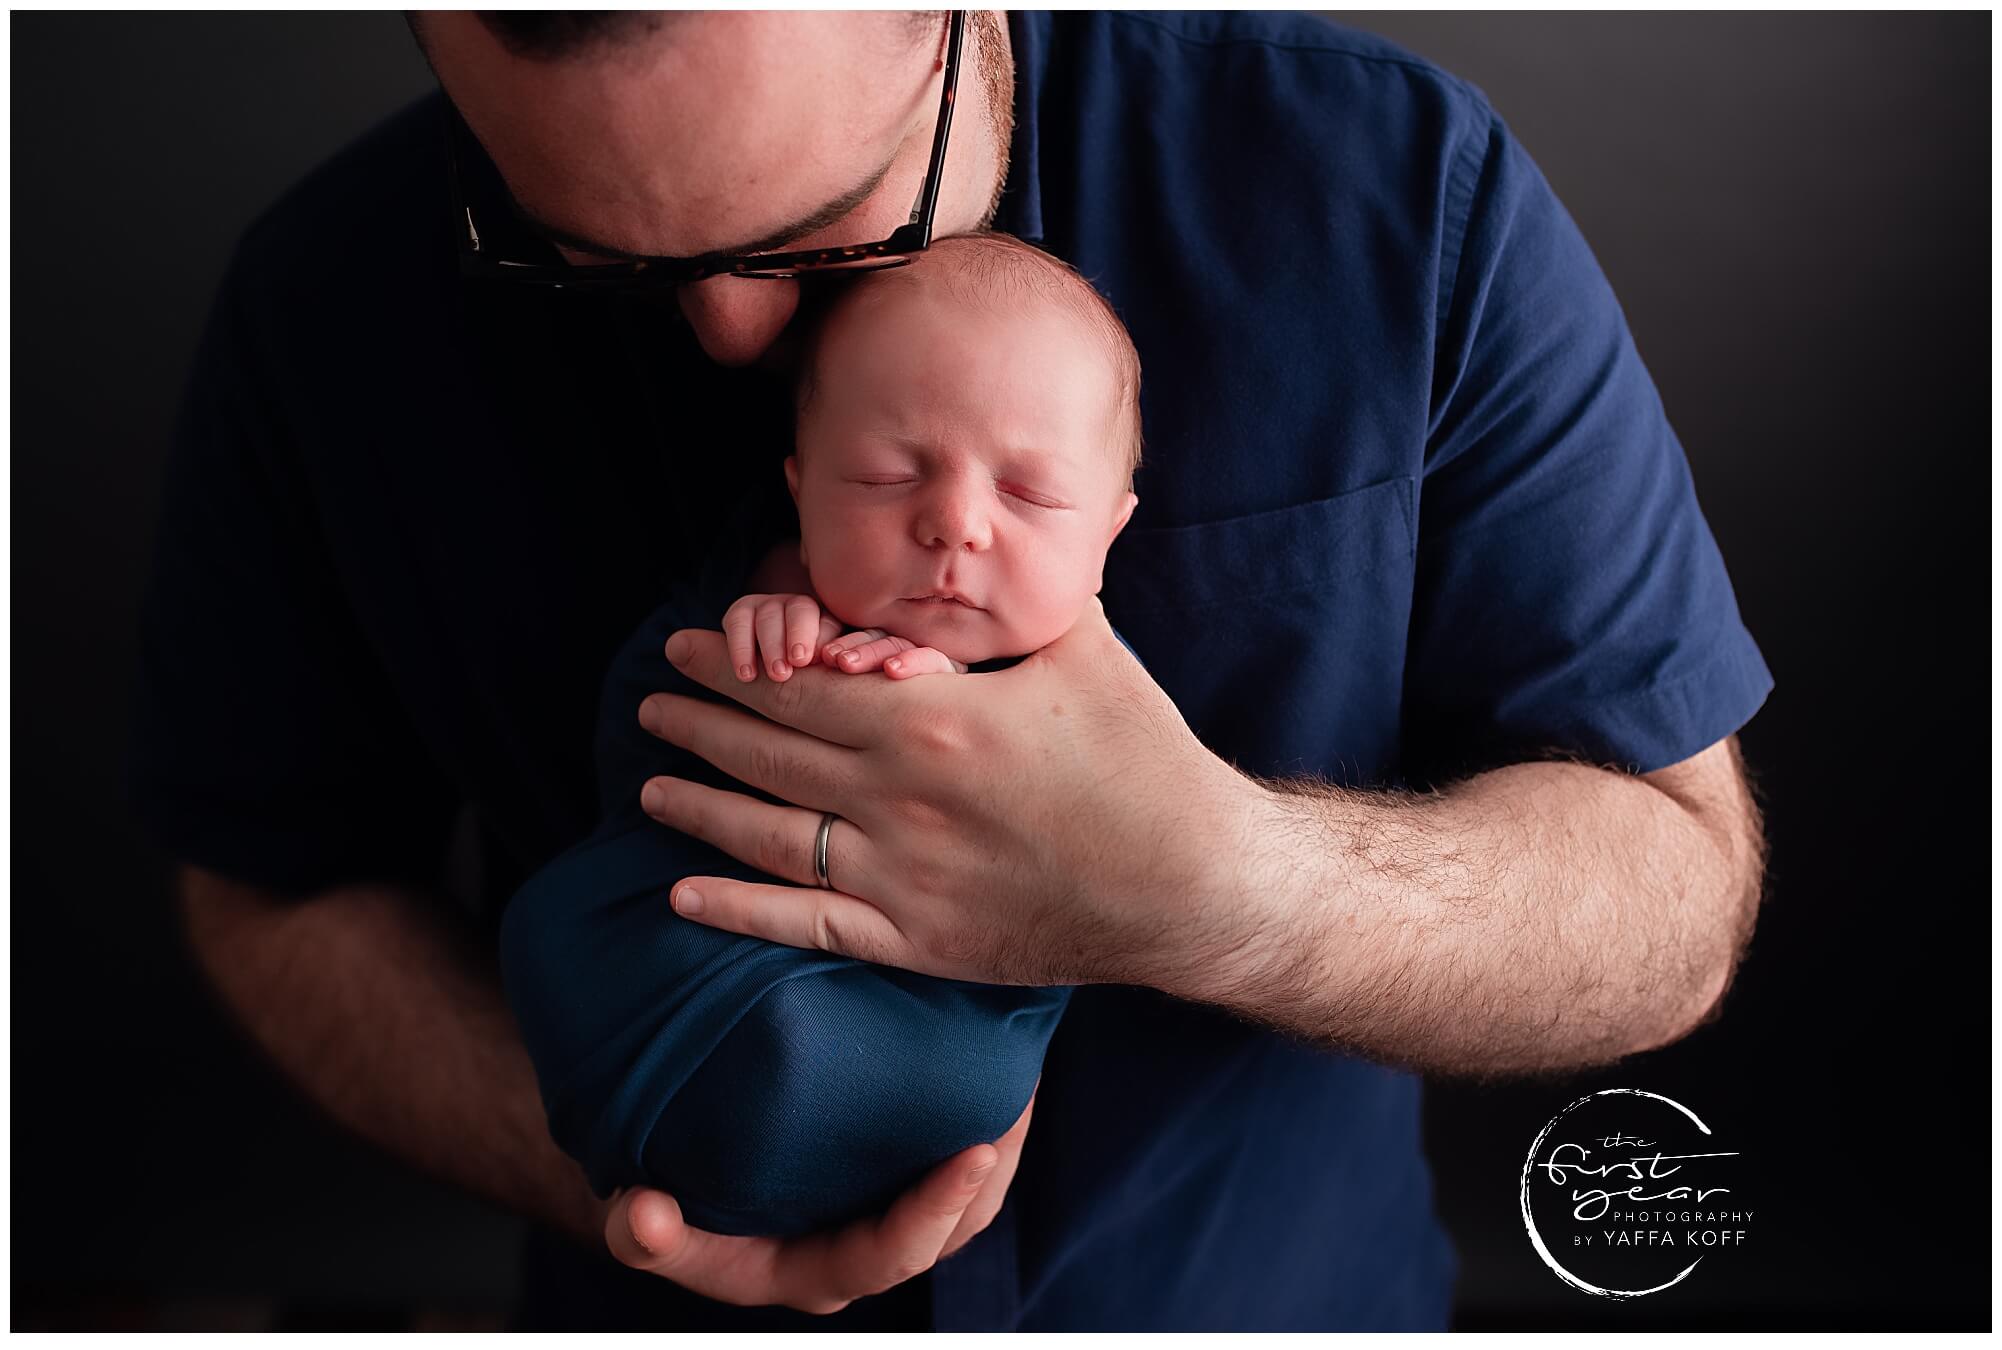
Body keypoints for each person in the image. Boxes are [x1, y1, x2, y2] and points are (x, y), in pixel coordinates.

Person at [135, 11, 1772, 1331]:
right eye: (580, 247)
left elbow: (1670, 890)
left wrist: (1224, 883)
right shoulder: (322, 316)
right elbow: (275, 892)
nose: (729, 329)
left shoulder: (1392, 194)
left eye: (822, 216)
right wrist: (638, 1155)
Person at [501, 230, 1143, 1239]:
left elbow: (1111, 869)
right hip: (676, 966)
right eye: (889, 476)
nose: (954, 524)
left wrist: (970, 715)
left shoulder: (1096, 701)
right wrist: (760, 630)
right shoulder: (755, 593)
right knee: (552, 928)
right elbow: (639, 749)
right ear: (799, 491)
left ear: (1109, 532)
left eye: (1029, 493)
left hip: (929, 1047)